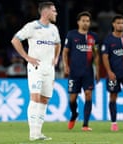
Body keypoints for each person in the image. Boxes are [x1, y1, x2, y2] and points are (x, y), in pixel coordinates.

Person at [11, 1, 61, 141]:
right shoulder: (32, 26)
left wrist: (56, 58)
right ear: (45, 12)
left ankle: (38, 133)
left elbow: (58, 43)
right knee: (35, 98)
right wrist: (26, 57)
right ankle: (32, 133)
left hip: (49, 69)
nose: (56, 13)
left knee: (45, 99)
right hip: (36, 68)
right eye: (54, 10)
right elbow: (15, 40)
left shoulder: (53, 29)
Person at [62, 11, 100, 131]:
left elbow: (96, 54)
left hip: (88, 72)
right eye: (83, 20)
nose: (85, 23)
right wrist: (65, 66)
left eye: (87, 21)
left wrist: (98, 70)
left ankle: (85, 124)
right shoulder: (71, 35)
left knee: (88, 95)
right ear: (78, 22)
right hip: (74, 72)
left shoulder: (93, 37)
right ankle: (74, 114)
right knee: (72, 99)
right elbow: (65, 52)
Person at [101, 14, 123, 131]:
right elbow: (105, 57)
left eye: (122, 23)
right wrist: (109, 71)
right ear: (113, 24)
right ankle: (114, 123)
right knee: (113, 96)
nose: (120, 25)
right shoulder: (108, 40)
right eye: (118, 23)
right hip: (114, 73)